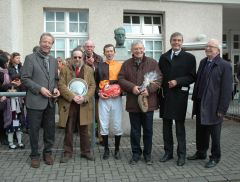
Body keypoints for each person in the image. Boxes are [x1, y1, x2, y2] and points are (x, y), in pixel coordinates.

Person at [187, 39, 232, 168]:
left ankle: (215, 157)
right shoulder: (203, 62)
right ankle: (201, 153)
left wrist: (222, 109)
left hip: (214, 105)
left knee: (215, 134)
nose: (208, 48)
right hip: (201, 103)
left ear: (218, 50)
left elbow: (227, 90)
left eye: (211, 47)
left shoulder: (224, 65)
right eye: (207, 46)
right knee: (201, 131)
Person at [118, 40, 162, 165]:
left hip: (148, 102)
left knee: (148, 130)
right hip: (133, 102)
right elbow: (121, 79)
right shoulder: (126, 64)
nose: (138, 51)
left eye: (140, 48)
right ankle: (136, 154)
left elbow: (159, 79)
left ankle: (147, 155)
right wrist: (132, 87)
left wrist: (149, 90)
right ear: (131, 50)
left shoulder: (152, 63)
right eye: (136, 49)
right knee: (135, 131)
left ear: (144, 49)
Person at [21, 33, 60, 168]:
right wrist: (40, 89)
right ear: (40, 42)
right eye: (44, 41)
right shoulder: (30, 58)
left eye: (49, 43)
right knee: (34, 131)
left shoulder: (54, 61)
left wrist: (55, 89)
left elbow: (55, 79)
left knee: (50, 130)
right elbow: (25, 78)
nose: (47, 44)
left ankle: (47, 153)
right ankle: (34, 155)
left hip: (50, 102)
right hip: (35, 101)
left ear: (52, 45)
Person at [158, 32, 196, 166]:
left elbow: (192, 77)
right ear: (170, 41)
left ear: (182, 42)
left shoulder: (189, 58)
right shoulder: (163, 57)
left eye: (179, 40)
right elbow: (159, 76)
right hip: (165, 96)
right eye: (174, 40)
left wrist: (178, 81)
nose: (176, 42)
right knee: (166, 127)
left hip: (179, 96)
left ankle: (182, 155)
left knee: (180, 127)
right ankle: (168, 153)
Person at [58, 47, 96, 163]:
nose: (77, 59)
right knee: (69, 129)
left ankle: (86, 151)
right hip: (70, 104)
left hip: (83, 104)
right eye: (75, 57)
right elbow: (61, 85)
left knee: (84, 129)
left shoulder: (89, 70)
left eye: (79, 57)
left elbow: (92, 86)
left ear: (83, 58)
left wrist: (84, 97)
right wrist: (73, 96)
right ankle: (67, 152)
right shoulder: (65, 69)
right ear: (71, 58)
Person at [96, 44, 123, 160]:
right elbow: (95, 82)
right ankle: (106, 149)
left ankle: (117, 150)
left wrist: (121, 91)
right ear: (104, 53)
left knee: (117, 124)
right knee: (103, 123)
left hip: (116, 99)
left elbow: (123, 81)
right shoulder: (99, 66)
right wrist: (98, 92)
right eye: (107, 51)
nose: (109, 53)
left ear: (114, 52)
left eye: (111, 51)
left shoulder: (120, 65)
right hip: (104, 99)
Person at [83, 40, 103, 145]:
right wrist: (86, 64)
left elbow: (101, 73)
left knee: (98, 116)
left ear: (94, 47)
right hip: (84, 91)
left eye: (91, 46)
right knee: (87, 116)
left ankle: (100, 137)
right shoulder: (79, 56)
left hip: (96, 91)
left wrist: (93, 66)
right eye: (87, 46)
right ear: (84, 47)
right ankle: (89, 139)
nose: (89, 48)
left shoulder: (99, 58)